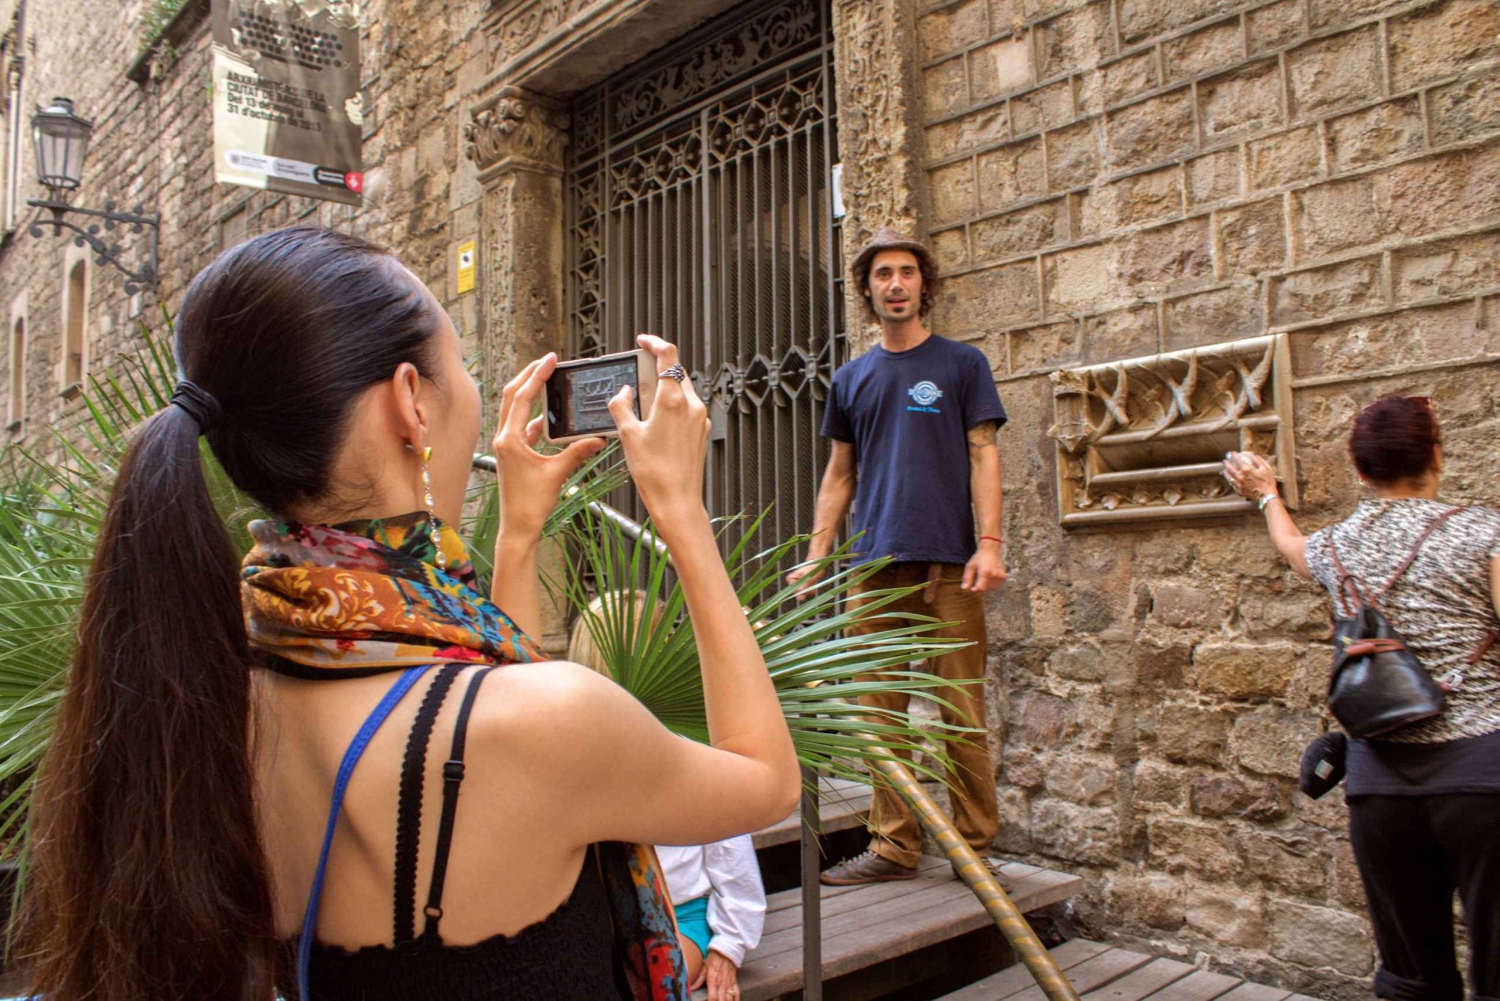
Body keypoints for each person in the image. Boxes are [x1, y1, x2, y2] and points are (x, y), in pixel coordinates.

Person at [16, 226, 801, 1001]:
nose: (471, 392)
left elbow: (478, 692)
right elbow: (766, 782)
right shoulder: (551, 724)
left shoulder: (210, 684)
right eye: (458, 364)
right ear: (409, 402)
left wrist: (519, 533)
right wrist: (680, 511)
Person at [1222, 394, 1500, 1001]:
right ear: (1437, 457)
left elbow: (1293, 550)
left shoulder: (1338, 546)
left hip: (1380, 789)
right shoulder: (1485, 533)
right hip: (1482, 778)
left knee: (1412, 976)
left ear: (1360, 470)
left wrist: (1266, 494)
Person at [786, 229, 1009, 887]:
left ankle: (975, 849)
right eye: (882, 274)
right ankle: (894, 846)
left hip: (951, 569)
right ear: (867, 289)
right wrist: (818, 553)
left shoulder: (962, 364)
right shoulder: (851, 379)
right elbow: (840, 473)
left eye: (907, 272)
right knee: (880, 717)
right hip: (873, 570)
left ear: (923, 285)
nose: (895, 284)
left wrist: (990, 543)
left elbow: (983, 455)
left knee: (962, 715)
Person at [568, 595, 768, 1001]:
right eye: (660, 640)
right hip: (592, 920)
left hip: (679, 914)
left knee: (646, 978)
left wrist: (729, 943)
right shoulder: (566, 748)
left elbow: (731, 847)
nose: (674, 650)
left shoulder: (687, 740)